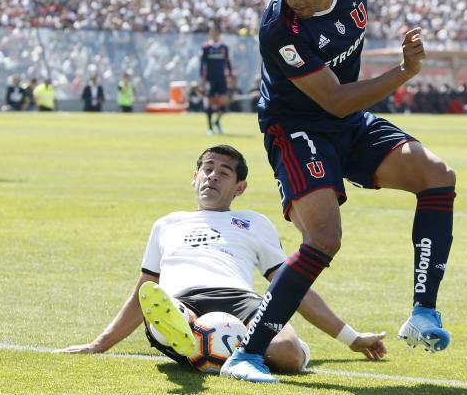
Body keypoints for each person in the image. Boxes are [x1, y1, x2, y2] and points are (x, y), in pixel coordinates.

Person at [220, 0, 457, 384]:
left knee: (437, 175)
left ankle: (424, 313)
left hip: (347, 120)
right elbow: (334, 101)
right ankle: (247, 354)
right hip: (296, 126)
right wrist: (404, 72)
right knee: (324, 237)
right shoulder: (279, 29)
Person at [57, 145, 387, 374]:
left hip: (242, 302)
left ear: (240, 187)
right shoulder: (167, 224)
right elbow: (144, 292)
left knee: (287, 354)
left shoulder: (254, 222)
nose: (213, 176)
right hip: (181, 301)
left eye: (224, 173)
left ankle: (218, 345)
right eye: (207, 169)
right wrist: (99, 344)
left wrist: (351, 337)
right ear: (194, 178)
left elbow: (292, 285)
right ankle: (195, 335)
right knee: (164, 313)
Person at [200, 24, 233, 135]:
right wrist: (202, 79)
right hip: (210, 79)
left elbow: (228, 63)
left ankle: (217, 121)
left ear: (219, 34)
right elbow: (202, 64)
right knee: (209, 103)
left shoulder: (224, 48)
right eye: (212, 32)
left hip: (222, 79)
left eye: (215, 32)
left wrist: (230, 76)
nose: (213, 34)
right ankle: (210, 128)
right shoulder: (206, 47)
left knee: (224, 102)